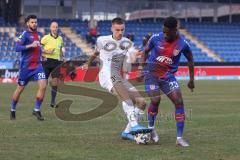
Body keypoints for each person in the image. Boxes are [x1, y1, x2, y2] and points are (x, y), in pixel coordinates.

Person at [82, 17, 151, 142]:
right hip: (106, 75)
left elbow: (134, 57)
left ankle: (126, 132)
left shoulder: (127, 42)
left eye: (122, 30)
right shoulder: (102, 40)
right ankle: (135, 125)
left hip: (117, 76)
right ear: (112, 28)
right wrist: (88, 63)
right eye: (117, 30)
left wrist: (139, 54)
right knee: (126, 97)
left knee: (142, 103)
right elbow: (95, 53)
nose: (120, 32)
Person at [140, 16, 194, 147]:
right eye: (163, 31)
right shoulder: (155, 38)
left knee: (179, 102)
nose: (164, 34)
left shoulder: (183, 44)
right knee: (155, 100)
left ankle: (179, 138)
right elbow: (145, 51)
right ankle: (151, 129)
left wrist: (191, 80)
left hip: (168, 76)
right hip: (151, 73)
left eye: (167, 32)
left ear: (175, 30)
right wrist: (142, 68)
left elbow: (190, 59)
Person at [10, 15, 46, 121]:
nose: (34, 24)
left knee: (43, 86)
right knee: (20, 89)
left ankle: (36, 110)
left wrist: (44, 54)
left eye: (35, 22)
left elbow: (38, 49)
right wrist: (30, 46)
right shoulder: (25, 34)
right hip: (26, 68)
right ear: (28, 24)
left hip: (38, 66)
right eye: (32, 22)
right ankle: (12, 109)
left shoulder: (38, 35)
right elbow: (17, 47)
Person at [41, 21, 64, 108]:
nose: (55, 29)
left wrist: (62, 58)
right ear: (50, 28)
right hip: (46, 62)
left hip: (56, 62)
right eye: (53, 27)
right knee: (44, 84)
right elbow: (38, 48)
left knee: (55, 82)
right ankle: (39, 101)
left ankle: (53, 102)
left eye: (56, 27)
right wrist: (46, 52)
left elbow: (61, 49)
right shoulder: (45, 38)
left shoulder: (60, 39)